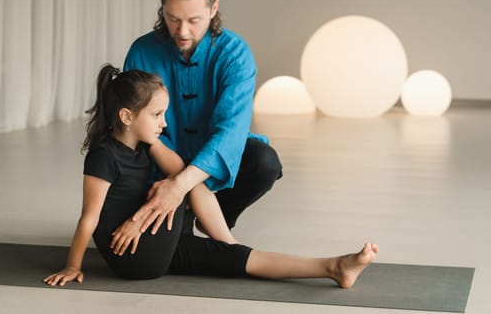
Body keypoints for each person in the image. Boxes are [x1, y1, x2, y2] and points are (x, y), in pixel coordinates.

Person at [43, 64, 379, 287]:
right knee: (185, 181)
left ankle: (335, 267)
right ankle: (228, 242)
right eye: (157, 115)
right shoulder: (103, 156)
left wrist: (157, 145)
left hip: (157, 246)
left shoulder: (146, 145)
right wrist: (73, 266)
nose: (164, 123)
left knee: (232, 250)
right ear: (127, 116)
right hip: (135, 257)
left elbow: (178, 170)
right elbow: (89, 218)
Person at [122, 0, 283, 236]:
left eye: (194, 20)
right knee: (170, 250)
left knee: (264, 162)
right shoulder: (141, 51)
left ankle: (218, 217)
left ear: (213, 8)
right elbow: (134, 126)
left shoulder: (236, 54)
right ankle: (189, 214)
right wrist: (171, 178)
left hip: (212, 157)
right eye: (173, 18)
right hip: (158, 161)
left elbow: (231, 131)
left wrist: (181, 185)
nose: (183, 31)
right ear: (163, 9)